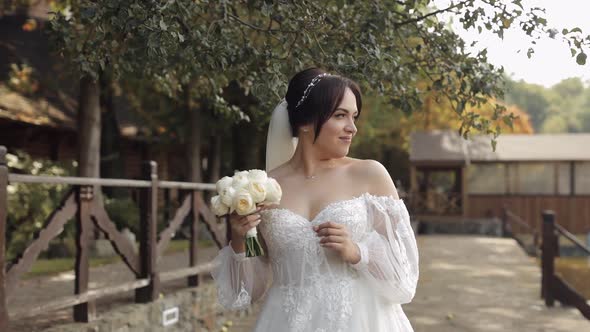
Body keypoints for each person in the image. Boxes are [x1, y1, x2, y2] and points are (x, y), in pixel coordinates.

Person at [211, 68, 419, 332]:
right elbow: (251, 287)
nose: (351, 128)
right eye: (340, 115)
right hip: (287, 321)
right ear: (305, 121)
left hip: (362, 320)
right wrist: (242, 239)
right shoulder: (264, 187)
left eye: (353, 117)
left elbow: (404, 275)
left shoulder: (369, 174)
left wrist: (358, 252)